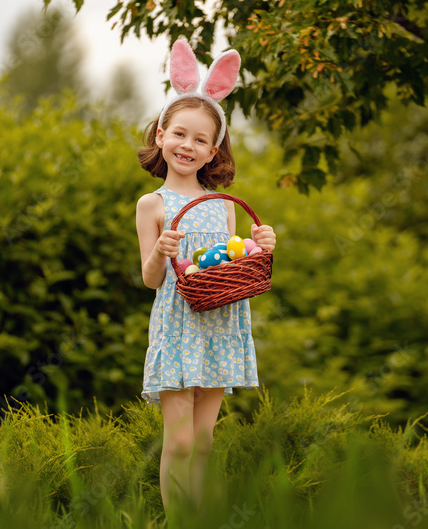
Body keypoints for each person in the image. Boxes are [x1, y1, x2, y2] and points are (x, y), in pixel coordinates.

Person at [134, 39, 277, 516]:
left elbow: (233, 263)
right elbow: (152, 280)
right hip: (177, 327)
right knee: (176, 442)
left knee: (202, 441)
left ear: (213, 150)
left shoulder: (221, 205)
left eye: (200, 140)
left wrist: (262, 246)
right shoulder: (151, 205)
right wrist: (160, 250)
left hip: (217, 323)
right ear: (160, 135)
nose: (188, 146)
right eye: (179, 134)